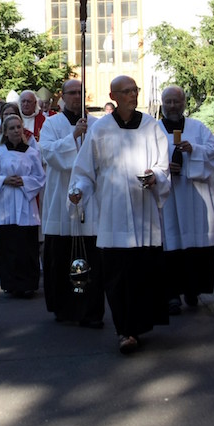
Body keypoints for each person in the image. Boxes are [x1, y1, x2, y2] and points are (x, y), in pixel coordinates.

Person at [69, 75, 171, 354]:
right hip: (113, 213)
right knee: (116, 275)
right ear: (113, 96)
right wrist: (78, 190)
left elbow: (163, 166)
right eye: (126, 91)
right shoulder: (101, 129)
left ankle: (136, 326)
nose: (133, 95)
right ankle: (124, 330)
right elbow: (85, 169)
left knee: (141, 274)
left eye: (135, 90)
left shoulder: (151, 126)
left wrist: (156, 177)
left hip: (143, 211)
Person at [39, 79, 104, 328]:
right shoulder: (51, 124)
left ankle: (91, 310)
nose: (77, 96)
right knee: (60, 257)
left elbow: (102, 158)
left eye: (80, 92)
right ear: (63, 96)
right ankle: (65, 307)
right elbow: (49, 154)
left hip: (89, 198)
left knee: (91, 257)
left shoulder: (97, 125)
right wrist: (74, 136)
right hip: (59, 197)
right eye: (72, 93)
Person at [157, 85, 214, 315]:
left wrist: (194, 151)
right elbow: (145, 159)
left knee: (194, 243)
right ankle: (171, 295)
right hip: (168, 196)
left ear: (184, 103)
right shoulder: (153, 130)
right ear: (162, 104)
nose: (172, 106)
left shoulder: (197, 128)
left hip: (193, 194)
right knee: (169, 243)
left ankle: (193, 288)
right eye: (168, 102)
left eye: (176, 101)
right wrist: (164, 168)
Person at [0, 114, 46, 297]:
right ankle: (10, 284)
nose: (16, 131)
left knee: (26, 247)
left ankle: (28, 284)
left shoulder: (32, 153)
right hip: (4, 203)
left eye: (18, 127)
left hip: (24, 204)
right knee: (7, 246)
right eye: (11, 128)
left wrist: (24, 181)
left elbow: (40, 177)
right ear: (4, 131)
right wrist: (3, 180)